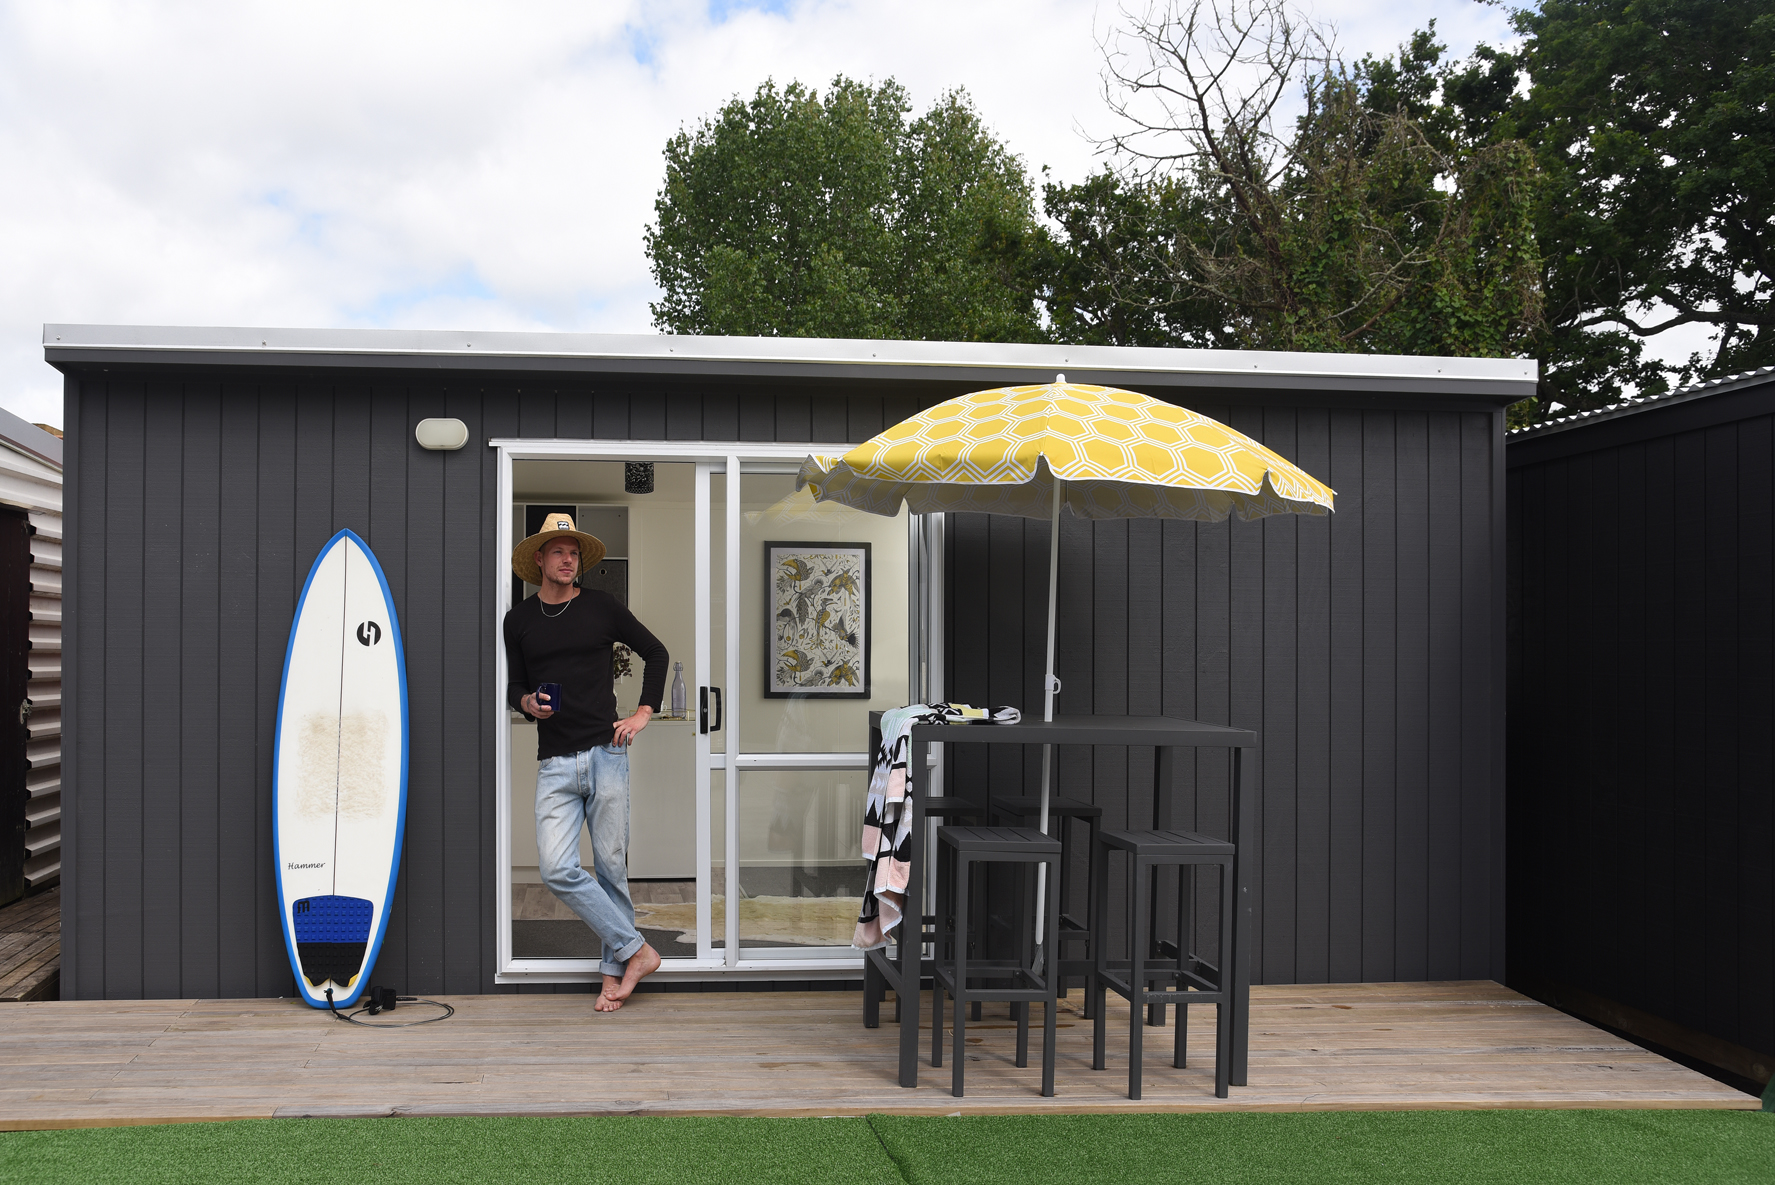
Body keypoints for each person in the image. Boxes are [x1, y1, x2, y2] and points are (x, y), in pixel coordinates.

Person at [504, 512, 667, 1011]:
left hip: (606, 754)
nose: (568, 558)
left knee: (611, 870)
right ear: (539, 560)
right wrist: (528, 703)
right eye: (558, 550)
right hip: (554, 760)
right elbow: (515, 687)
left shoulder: (602, 607)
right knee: (557, 868)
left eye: (574, 552)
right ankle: (637, 949)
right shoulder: (519, 620)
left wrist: (642, 713)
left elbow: (655, 653)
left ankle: (612, 978)